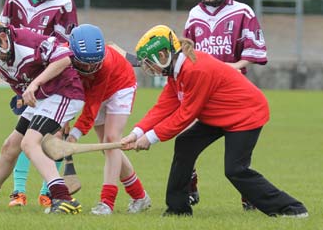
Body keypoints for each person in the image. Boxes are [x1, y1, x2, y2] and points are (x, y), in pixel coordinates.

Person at [121, 25, 308, 218]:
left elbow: (185, 115)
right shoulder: (177, 72)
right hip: (218, 115)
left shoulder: (195, 70)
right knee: (185, 144)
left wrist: (150, 138)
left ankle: (291, 208)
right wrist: (136, 133)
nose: (148, 68)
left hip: (246, 114)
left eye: (149, 63)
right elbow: (163, 107)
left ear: (163, 55)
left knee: (235, 169)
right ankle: (178, 209)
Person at [0, 18, 84, 214]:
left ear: (3, 37)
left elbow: (64, 58)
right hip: (43, 96)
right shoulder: (2, 57)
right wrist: (2, 69)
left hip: (64, 92)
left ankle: (64, 199)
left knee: (29, 143)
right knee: (10, 146)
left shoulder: (27, 41)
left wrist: (34, 85)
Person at [182, 0, 268, 210]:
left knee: (237, 160)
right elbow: (190, 54)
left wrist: (229, 68)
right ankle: (189, 184)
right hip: (202, 94)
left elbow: (255, 52)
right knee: (185, 142)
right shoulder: (194, 15)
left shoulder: (243, 12)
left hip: (234, 97)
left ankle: (249, 193)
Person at [0, 0, 78, 208]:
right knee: (23, 136)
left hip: (54, 77)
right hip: (25, 76)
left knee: (49, 136)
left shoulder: (64, 4)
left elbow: (66, 47)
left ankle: (47, 192)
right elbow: (3, 34)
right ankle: (18, 191)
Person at [65, 24, 151, 215]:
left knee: (111, 140)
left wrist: (74, 135)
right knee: (108, 148)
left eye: (94, 63)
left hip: (121, 85)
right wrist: (65, 118)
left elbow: (92, 105)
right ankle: (140, 196)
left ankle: (107, 202)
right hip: (95, 92)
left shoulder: (106, 64)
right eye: (85, 64)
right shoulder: (65, 57)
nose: (89, 68)